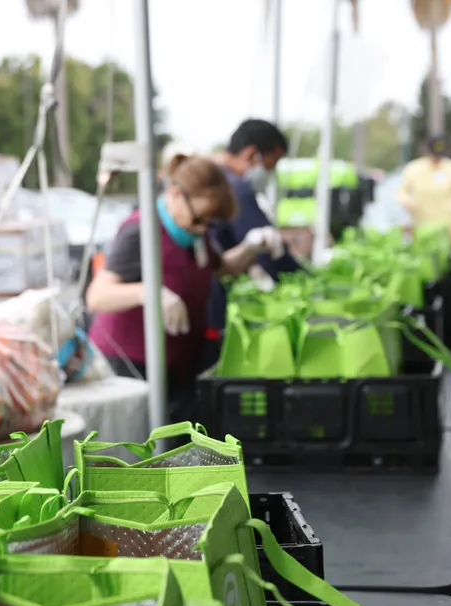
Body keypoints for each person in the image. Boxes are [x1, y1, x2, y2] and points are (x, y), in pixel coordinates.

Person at [86, 154, 279, 422]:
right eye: (199, 219)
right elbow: (97, 296)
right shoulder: (141, 231)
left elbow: (221, 268)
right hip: (131, 367)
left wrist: (253, 245)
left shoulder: (194, 236)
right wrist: (150, 292)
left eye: (209, 223)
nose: (202, 228)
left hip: (175, 366)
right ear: (175, 195)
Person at [202, 119, 298, 370]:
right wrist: (301, 278)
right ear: (252, 154)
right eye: (272, 162)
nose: (271, 172)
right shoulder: (236, 188)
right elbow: (266, 249)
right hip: (209, 301)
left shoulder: (217, 178)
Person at [396, 136, 451, 239]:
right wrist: (407, 201)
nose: (437, 159)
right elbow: (401, 192)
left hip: (446, 229)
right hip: (419, 228)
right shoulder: (414, 169)